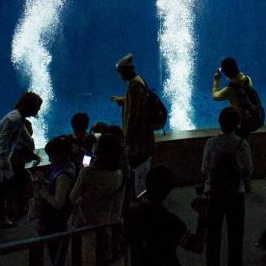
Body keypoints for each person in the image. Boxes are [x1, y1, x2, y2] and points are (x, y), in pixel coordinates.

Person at [0, 91, 42, 236]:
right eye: (37, 107)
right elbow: (2, 143)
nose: (38, 110)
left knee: (0, 191)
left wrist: (33, 154)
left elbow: (24, 138)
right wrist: (4, 165)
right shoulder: (14, 119)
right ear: (30, 106)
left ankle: (1, 219)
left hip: (0, 160)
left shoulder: (18, 118)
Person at [125, 164, 208, 266]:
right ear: (168, 191)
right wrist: (203, 216)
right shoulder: (171, 222)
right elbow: (197, 246)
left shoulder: (131, 214)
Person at [202, 107, 253, 266]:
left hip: (213, 194)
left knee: (213, 234)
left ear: (219, 122)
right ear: (238, 124)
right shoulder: (242, 145)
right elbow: (248, 170)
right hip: (236, 194)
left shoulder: (211, 143)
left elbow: (205, 168)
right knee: (236, 234)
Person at [67, 134, 128, 265]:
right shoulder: (119, 174)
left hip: (85, 223)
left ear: (99, 151)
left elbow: (72, 197)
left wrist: (82, 172)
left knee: (82, 257)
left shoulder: (87, 173)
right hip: (105, 223)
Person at [111, 53, 155, 197]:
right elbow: (138, 103)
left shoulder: (134, 87)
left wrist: (126, 138)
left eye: (120, 73)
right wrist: (123, 100)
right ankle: (142, 195)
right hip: (144, 137)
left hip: (138, 140)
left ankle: (139, 198)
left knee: (137, 169)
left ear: (126, 71)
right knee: (143, 168)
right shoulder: (138, 81)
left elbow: (133, 115)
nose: (119, 76)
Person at [32, 135, 77, 265]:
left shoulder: (63, 175)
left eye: (52, 155)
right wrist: (45, 181)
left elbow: (58, 203)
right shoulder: (69, 165)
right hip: (59, 221)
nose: (50, 159)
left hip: (56, 222)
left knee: (56, 254)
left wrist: (40, 189)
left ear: (61, 155)